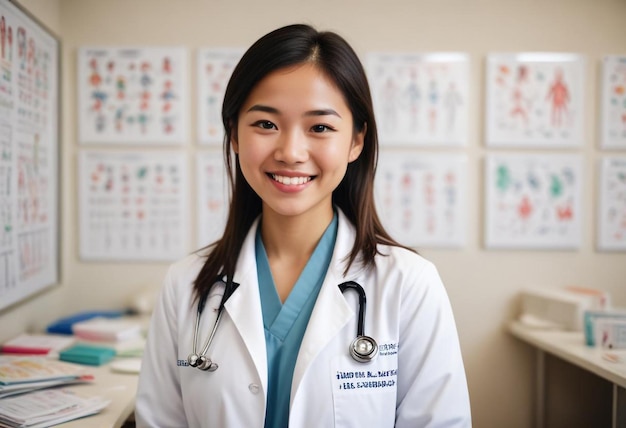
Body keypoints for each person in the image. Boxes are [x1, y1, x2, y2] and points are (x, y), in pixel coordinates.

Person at [135, 23, 471, 427]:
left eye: (320, 128)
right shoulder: (186, 284)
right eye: (265, 124)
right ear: (235, 134)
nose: (291, 152)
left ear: (356, 142)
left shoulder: (409, 284)